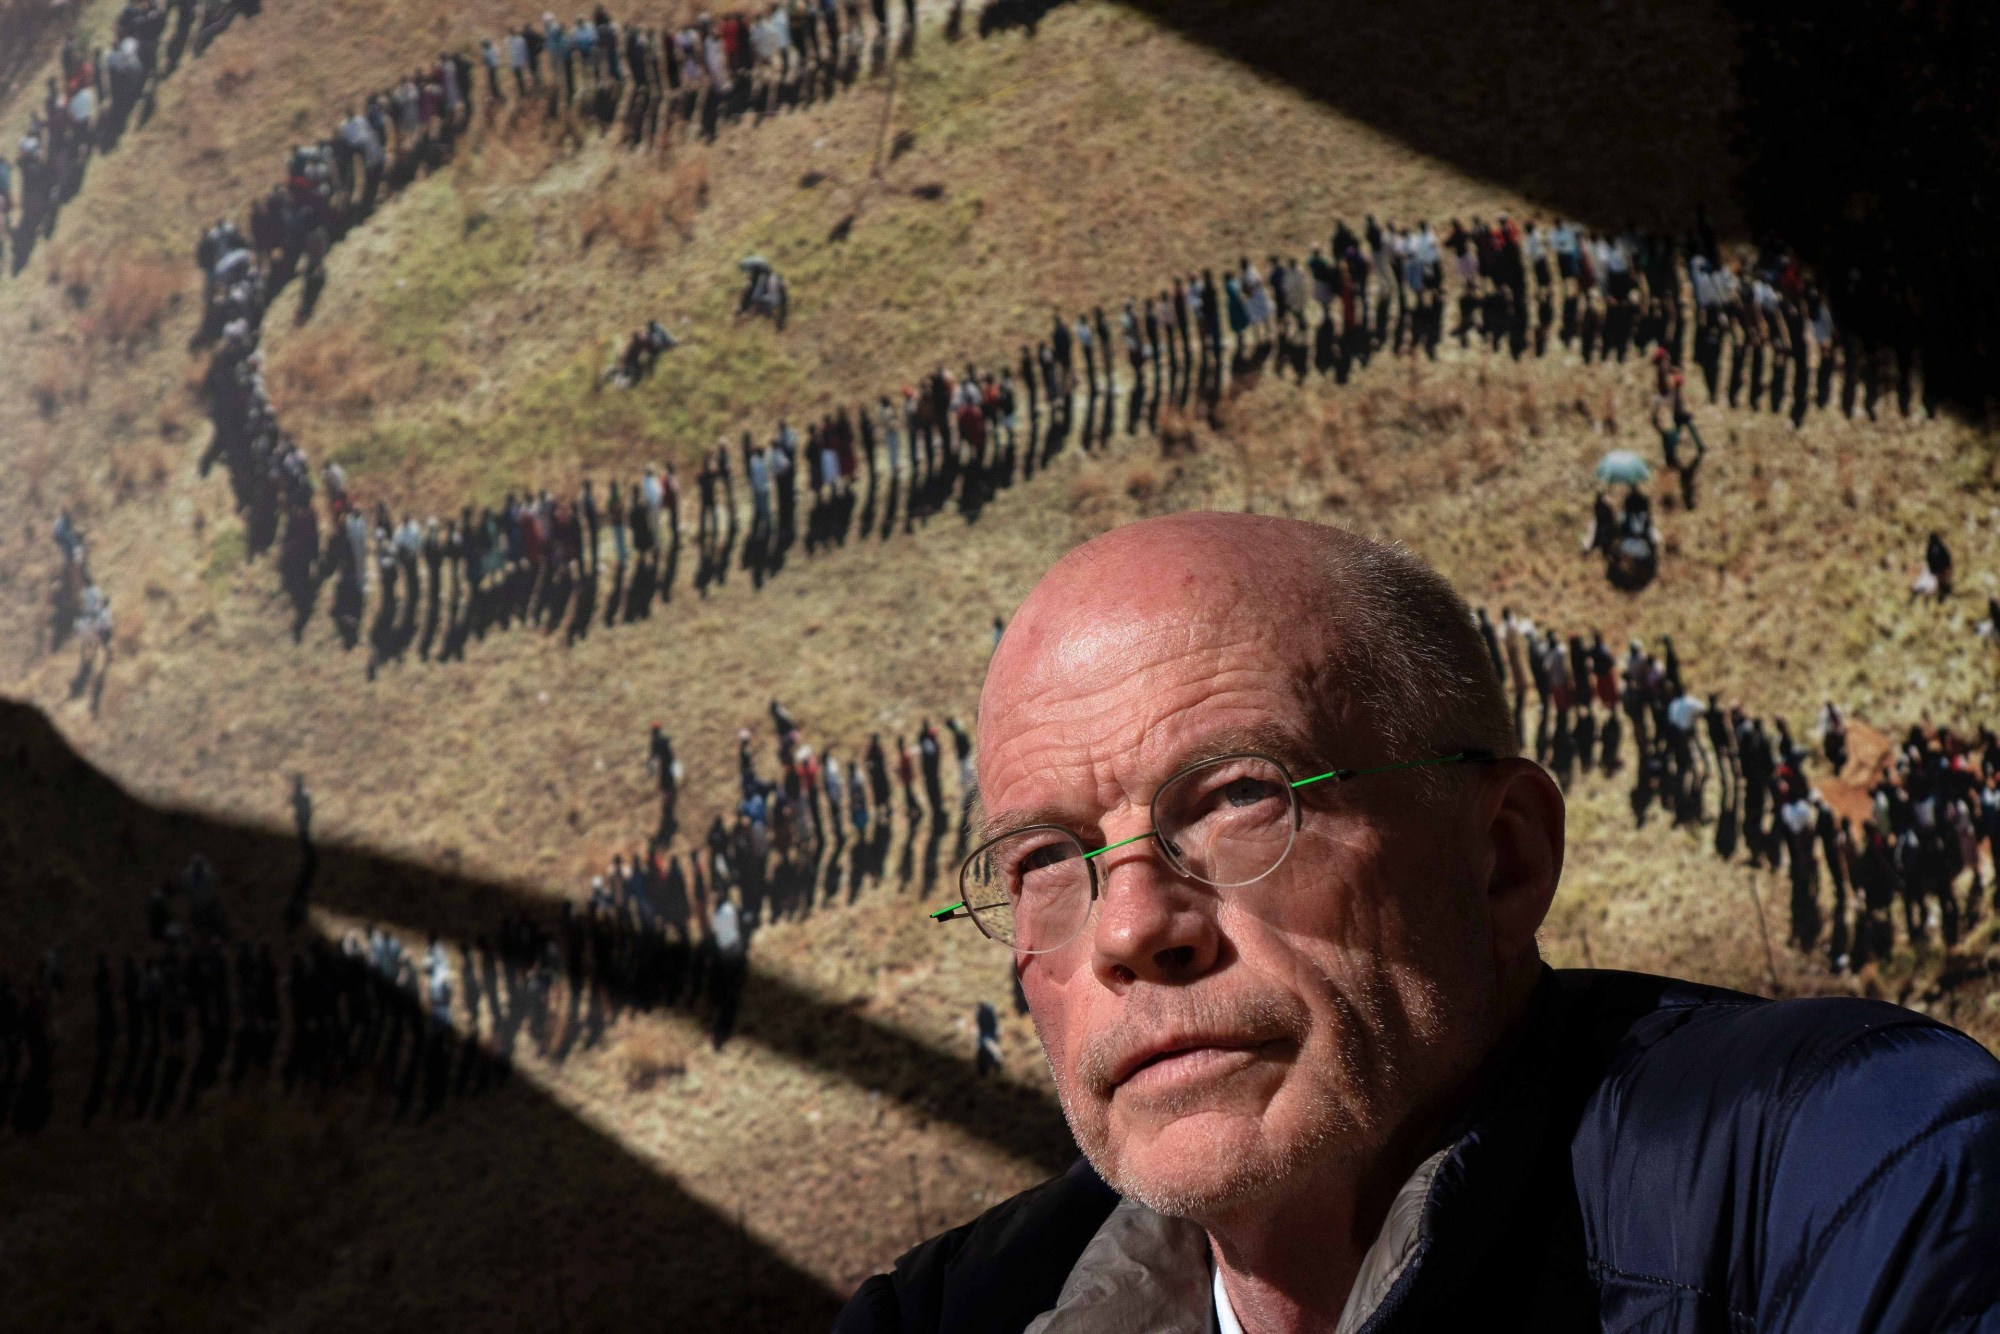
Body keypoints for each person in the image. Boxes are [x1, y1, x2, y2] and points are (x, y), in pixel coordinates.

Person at [838, 513, 2000, 1334]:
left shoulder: (1824, 1162)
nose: (1132, 924)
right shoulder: (948, 1313)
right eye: (1046, 857)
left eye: (1242, 795)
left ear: (1501, 858)